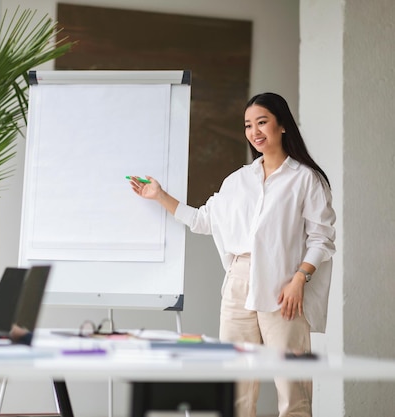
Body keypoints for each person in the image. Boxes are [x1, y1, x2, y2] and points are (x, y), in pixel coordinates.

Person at [129, 92, 336, 417]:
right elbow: (202, 220)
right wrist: (160, 196)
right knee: (236, 389)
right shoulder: (238, 181)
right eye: (248, 125)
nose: (255, 131)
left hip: (285, 287)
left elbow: (322, 239)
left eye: (262, 122)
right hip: (238, 283)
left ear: (282, 125)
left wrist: (300, 278)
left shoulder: (305, 179)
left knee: (293, 389)